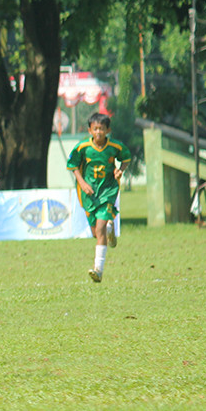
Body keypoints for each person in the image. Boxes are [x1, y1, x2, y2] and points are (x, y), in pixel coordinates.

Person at [66, 112, 132, 283]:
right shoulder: (82, 148)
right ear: (89, 130)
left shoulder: (114, 147)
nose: (98, 132)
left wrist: (120, 170)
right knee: (97, 233)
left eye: (102, 129)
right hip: (89, 194)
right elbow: (73, 166)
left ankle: (98, 270)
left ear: (108, 130)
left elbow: (125, 158)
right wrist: (82, 183)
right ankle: (110, 231)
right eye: (95, 129)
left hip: (108, 191)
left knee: (100, 227)